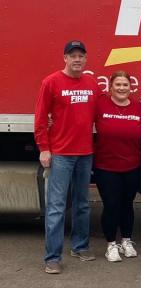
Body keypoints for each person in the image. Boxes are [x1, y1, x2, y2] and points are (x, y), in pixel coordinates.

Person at [34, 40, 99, 274]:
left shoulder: (92, 84)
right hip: (61, 154)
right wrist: (44, 147)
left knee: (83, 204)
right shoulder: (51, 82)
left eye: (81, 55)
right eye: (73, 55)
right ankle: (52, 257)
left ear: (86, 59)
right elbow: (41, 118)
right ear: (65, 58)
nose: (77, 59)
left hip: (85, 153)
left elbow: (99, 115)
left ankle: (80, 246)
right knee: (56, 207)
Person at [93, 71, 141, 262]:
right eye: (118, 85)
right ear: (110, 87)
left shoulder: (139, 108)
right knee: (111, 205)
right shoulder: (100, 104)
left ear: (130, 87)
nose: (122, 88)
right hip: (106, 167)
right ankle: (111, 244)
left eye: (125, 85)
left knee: (127, 205)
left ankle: (126, 240)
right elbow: (78, 117)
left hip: (132, 166)